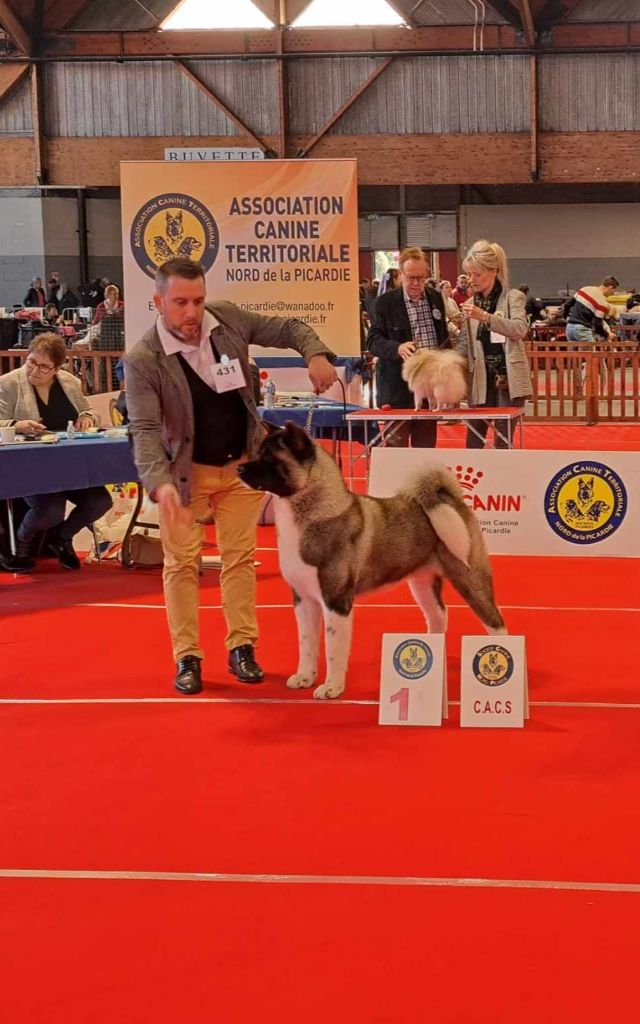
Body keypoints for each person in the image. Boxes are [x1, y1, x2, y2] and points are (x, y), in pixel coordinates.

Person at [124, 257, 338, 697]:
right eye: (180, 302)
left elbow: (288, 327)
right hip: (185, 477)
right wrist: (158, 483)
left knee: (240, 559)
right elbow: (143, 430)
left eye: (198, 301)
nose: (192, 312)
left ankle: (242, 647)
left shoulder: (228, 321)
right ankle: (187, 656)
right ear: (158, 302)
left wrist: (314, 353)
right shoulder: (144, 359)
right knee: (181, 565)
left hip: (241, 467)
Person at [0, 333, 111, 573]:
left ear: (57, 368)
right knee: (50, 511)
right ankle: (19, 544)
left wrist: (87, 418)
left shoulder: (69, 382)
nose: (35, 370)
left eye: (44, 367)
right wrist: (17, 425)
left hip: (70, 463)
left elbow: (90, 411)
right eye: (32, 361)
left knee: (100, 501)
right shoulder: (8, 383)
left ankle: (61, 538)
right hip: (30, 466)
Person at [367, 247, 448, 448]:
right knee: (397, 450)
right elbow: (373, 341)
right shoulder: (384, 303)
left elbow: (443, 337)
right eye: (411, 277)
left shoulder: (435, 297)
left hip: (429, 388)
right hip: (397, 389)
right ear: (400, 275)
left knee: (426, 449)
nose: (416, 283)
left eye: (421, 278)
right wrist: (398, 348)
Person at [456, 239, 530, 449]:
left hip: (508, 378)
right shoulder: (469, 304)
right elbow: (465, 343)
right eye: (469, 274)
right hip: (480, 378)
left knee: (503, 438)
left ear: (494, 271)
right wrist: (446, 362)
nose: (471, 280)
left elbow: (519, 330)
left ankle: (504, 470)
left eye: (477, 274)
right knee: (473, 437)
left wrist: (486, 317)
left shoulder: (513, 298)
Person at [563, 276, 620, 345]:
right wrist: (607, 334)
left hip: (569, 327)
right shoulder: (602, 303)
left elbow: (567, 304)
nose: (612, 294)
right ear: (610, 287)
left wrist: (565, 317)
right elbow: (597, 325)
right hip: (582, 330)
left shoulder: (585, 289)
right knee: (591, 351)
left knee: (574, 351)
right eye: (613, 291)